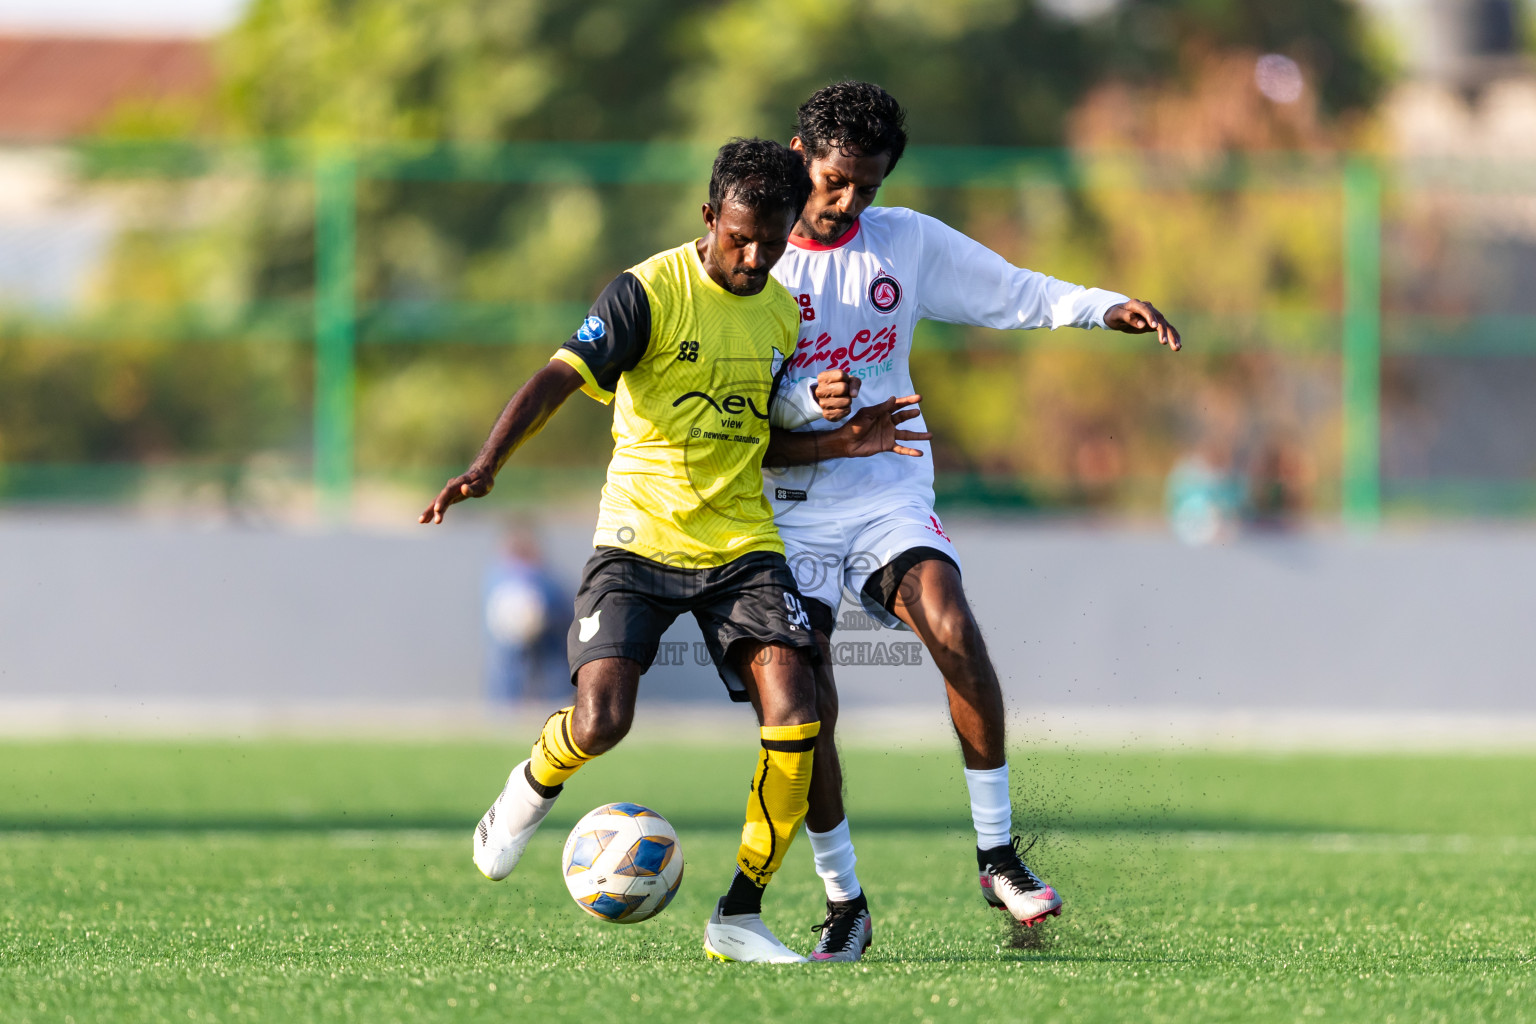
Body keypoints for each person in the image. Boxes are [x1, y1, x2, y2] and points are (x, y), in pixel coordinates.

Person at [420, 138, 928, 963]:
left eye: (771, 239)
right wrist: (485, 467)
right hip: (637, 538)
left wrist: (842, 443)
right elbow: (557, 376)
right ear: (708, 218)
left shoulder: (779, 311)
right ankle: (530, 785)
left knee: (797, 718)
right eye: (739, 238)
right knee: (603, 720)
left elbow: (760, 440)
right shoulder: (647, 292)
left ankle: (741, 912)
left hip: (742, 543)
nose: (755, 256)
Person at [763, 81, 1184, 961]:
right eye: (836, 181)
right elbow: (717, 405)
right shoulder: (746, 260)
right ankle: (845, 900)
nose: (848, 203)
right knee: (805, 705)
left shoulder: (903, 243)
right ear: (799, 156)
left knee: (952, 623)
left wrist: (1101, 304)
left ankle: (998, 857)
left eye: (867, 187)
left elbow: (1013, 290)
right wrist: (803, 405)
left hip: (885, 490)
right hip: (784, 509)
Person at [483, 527, 571, 702]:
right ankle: (507, 708)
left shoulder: (541, 577)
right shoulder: (501, 575)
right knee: (511, 666)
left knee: (550, 665)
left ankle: (556, 704)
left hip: (544, 626)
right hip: (515, 628)